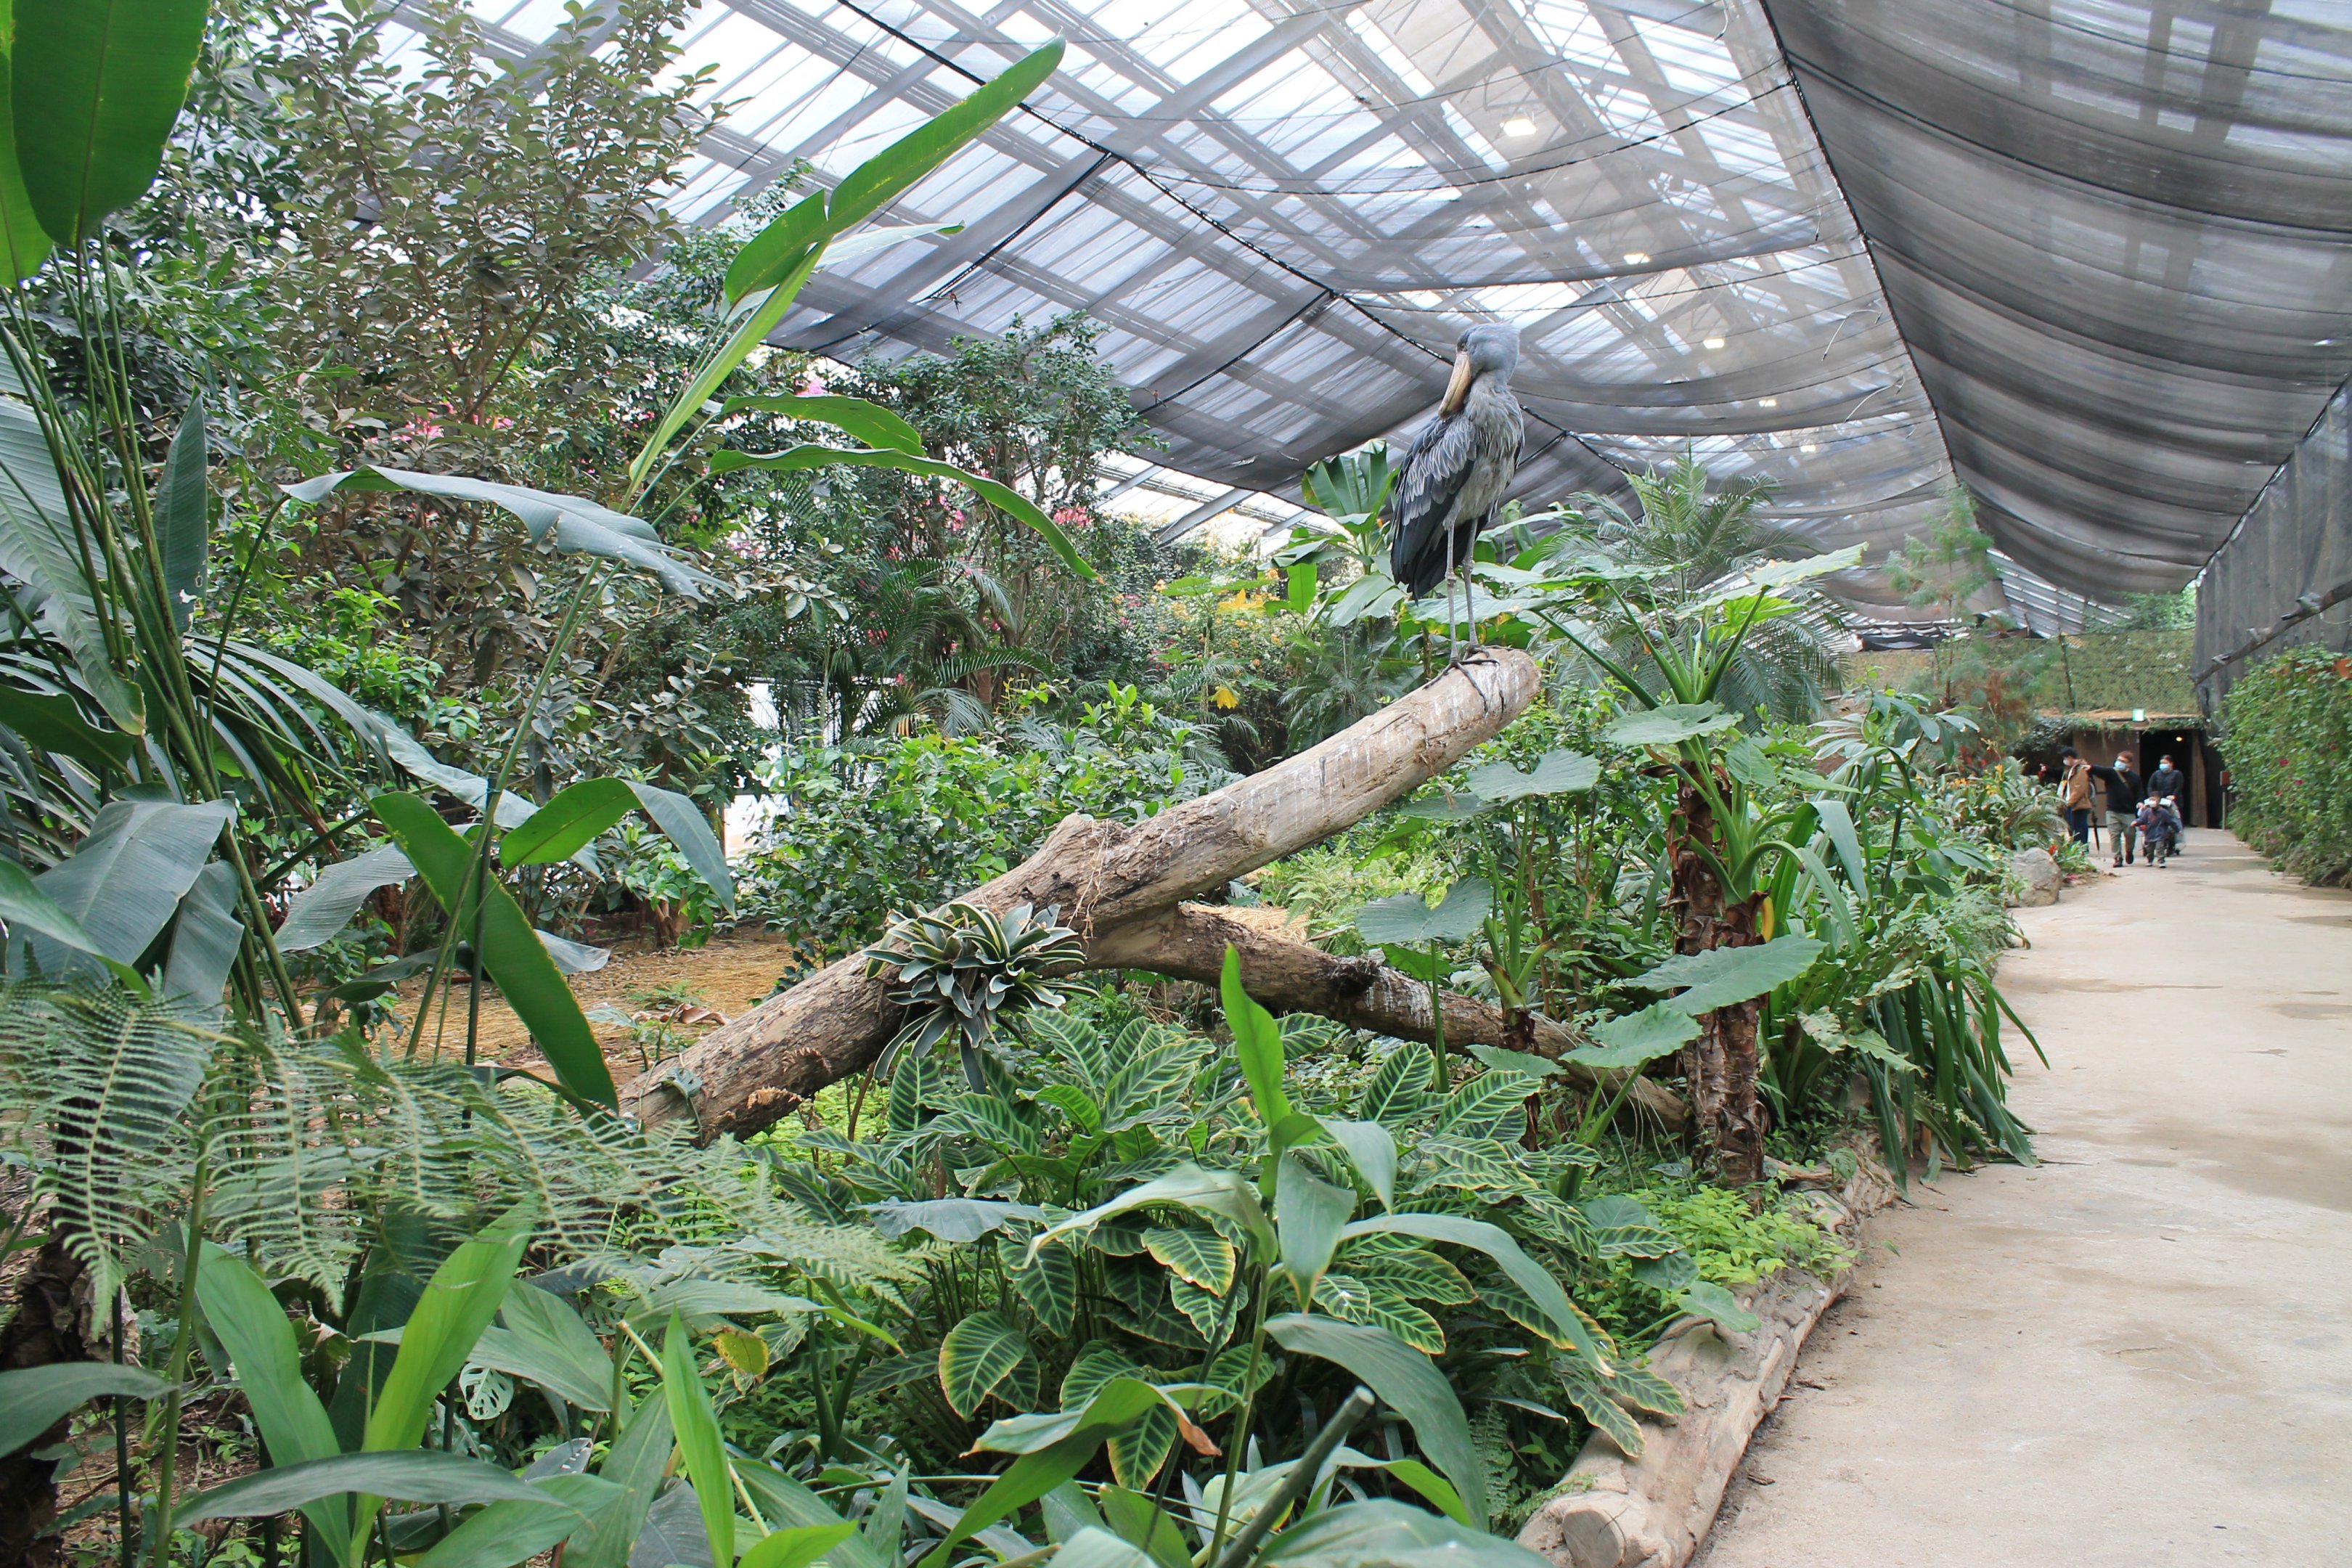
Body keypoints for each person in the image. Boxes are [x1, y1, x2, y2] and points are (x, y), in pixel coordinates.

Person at [2088, 750, 2144, 867]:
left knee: (2130, 834)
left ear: (2129, 764)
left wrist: (2140, 802)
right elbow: (2100, 770)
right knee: (2114, 835)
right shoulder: (2111, 773)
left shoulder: (2135, 778)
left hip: (2128, 812)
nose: (2119, 763)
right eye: (2118, 760)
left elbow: (2139, 793)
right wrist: (2091, 767)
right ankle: (2117, 857)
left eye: (2123, 761)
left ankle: (2129, 851)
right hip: (2112, 810)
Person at [2147, 753, 2187, 848]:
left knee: (2173, 820)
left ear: (2171, 764)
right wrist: (2151, 796)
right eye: (2161, 763)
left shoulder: (2177, 774)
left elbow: (2179, 786)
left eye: (2165, 763)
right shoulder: (2156, 774)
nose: (2163, 765)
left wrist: (2174, 796)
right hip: (2159, 801)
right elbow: (2150, 786)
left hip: (2172, 802)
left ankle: (2173, 842)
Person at [2059, 748, 2094, 846]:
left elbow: (2080, 788)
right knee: (2072, 827)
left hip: (2079, 804)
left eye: (2065, 758)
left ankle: (2081, 847)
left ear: (2070, 758)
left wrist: (2070, 802)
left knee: (2079, 827)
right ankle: (2076, 847)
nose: (2065, 761)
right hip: (2071, 803)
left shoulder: (2081, 769)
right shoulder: (2071, 769)